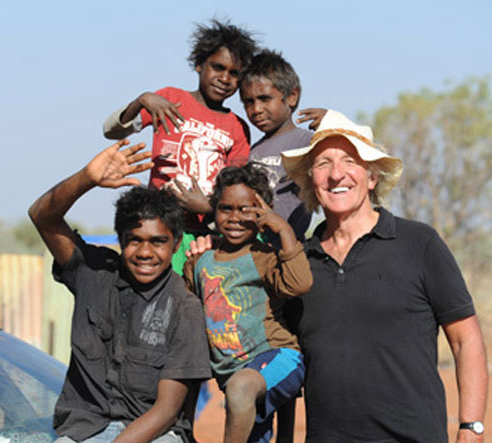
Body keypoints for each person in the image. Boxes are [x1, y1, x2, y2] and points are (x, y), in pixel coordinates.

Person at [280, 110, 489, 442]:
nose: (336, 175)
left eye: (350, 161)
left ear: (372, 177)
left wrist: (471, 427)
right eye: (322, 164)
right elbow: (284, 357)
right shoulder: (299, 263)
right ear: (310, 181)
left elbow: (466, 340)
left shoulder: (419, 244)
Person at [28, 140, 211, 442]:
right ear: (120, 239)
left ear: (176, 244)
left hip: (156, 434)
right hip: (82, 431)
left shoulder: (184, 307)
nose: (144, 252)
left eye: (157, 242)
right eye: (134, 239)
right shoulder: (92, 272)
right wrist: (86, 178)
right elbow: (42, 217)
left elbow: (166, 411)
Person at [103, 19, 258, 274]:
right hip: (157, 229)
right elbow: (111, 131)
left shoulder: (237, 128)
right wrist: (142, 100)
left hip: (203, 238)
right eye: (218, 67)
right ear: (199, 65)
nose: (225, 78)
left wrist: (208, 208)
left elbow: (234, 189)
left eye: (234, 73)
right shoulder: (170, 99)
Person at [183, 163, 313, 442]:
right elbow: (188, 310)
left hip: (277, 358)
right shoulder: (200, 260)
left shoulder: (264, 256)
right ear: (214, 210)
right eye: (226, 208)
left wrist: (285, 231)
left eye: (246, 209)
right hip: (234, 381)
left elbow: (299, 284)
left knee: (242, 386)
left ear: (263, 212)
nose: (235, 217)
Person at [240, 49, 326, 248]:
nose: (256, 109)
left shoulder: (307, 143)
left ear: (292, 96)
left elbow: (351, 155)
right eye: (248, 102)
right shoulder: (252, 151)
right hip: (254, 249)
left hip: (291, 248)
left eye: (264, 99)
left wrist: (333, 123)